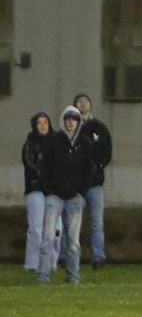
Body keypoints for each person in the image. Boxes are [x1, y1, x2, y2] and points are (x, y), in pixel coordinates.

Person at [36, 106, 96, 284]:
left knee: (73, 241)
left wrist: (81, 191)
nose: (70, 122)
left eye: (74, 119)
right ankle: (43, 276)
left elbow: (89, 169)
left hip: (75, 198)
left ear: (78, 122)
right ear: (63, 121)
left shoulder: (85, 143)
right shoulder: (53, 140)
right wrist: (49, 189)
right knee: (47, 237)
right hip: (54, 197)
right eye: (67, 119)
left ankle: (73, 276)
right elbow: (43, 167)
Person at [73, 93, 112, 270]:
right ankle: (70, 256)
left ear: (91, 106)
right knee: (73, 222)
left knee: (96, 222)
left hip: (95, 184)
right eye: (79, 102)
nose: (83, 104)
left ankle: (98, 256)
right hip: (75, 185)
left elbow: (107, 152)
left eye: (86, 101)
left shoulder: (99, 127)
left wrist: (98, 166)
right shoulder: (70, 127)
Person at [22, 112, 61, 274]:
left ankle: (52, 262)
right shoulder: (30, 145)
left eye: (46, 122)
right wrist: (47, 177)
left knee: (56, 229)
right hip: (36, 189)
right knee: (36, 228)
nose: (43, 125)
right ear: (34, 126)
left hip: (54, 191)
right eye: (40, 123)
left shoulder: (57, 144)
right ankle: (32, 263)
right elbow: (31, 165)